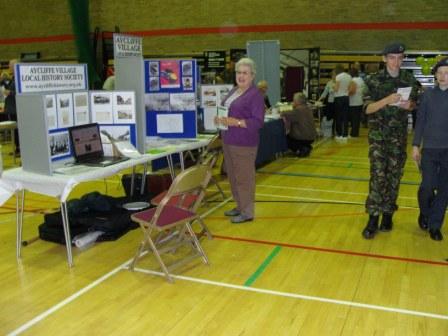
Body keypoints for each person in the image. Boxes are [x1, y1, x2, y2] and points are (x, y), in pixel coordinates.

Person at [362, 42, 419, 239]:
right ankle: (372, 218)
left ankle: (387, 214)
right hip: (378, 138)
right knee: (378, 176)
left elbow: (416, 104)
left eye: (400, 58)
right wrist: (387, 100)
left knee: (394, 177)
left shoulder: (409, 79)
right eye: (392, 58)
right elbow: (367, 109)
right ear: (384, 58)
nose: (396, 62)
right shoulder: (373, 80)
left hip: (398, 137)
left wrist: (408, 105)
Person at [215, 58, 265, 224]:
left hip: (244, 144)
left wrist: (235, 122)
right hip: (228, 140)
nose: (241, 76)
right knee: (233, 177)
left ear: (252, 76)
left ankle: (247, 212)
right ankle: (240, 206)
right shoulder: (234, 91)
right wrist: (220, 119)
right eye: (238, 72)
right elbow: (226, 111)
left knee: (244, 178)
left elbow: (258, 122)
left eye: (245, 73)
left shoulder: (255, 95)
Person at [412, 57, 448, 241]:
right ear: (435, 75)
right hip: (430, 150)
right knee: (427, 187)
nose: (443, 76)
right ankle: (425, 212)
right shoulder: (427, 96)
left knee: (444, 190)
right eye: (440, 72)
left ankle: (435, 225)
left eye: (447, 73)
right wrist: (416, 145)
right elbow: (420, 122)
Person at [281, 92, 317, 157]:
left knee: (285, 138)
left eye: (293, 100)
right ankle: (306, 146)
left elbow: (285, 114)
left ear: (297, 102)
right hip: (312, 136)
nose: (293, 102)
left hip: (303, 137)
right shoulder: (308, 108)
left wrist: (281, 111)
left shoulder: (298, 110)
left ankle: (301, 148)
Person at [3, 59, 19, 153]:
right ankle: (17, 148)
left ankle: (19, 148)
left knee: (17, 130)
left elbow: (20, 92)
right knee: (14, 130)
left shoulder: (19, 77)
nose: (9, 67)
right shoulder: (12, 78)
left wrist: (10, 92)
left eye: (10, 65)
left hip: (16, 108)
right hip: (11, 108)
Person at [333, 64, 352, 141]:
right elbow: (350, 88)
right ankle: (345, 134)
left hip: (338, 98)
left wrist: (333, 87)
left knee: (338, 117)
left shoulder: (338, 77)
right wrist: (346, 92)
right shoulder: (349, 76)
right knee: (345, 116)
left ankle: (339, 134)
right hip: (346, 97)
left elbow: (336, 88)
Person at [348, 68, 366, 137]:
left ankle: (353, 134)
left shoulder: (353, 80)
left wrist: (346, 93)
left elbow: (352, 91)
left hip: (353, 102)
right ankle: (355, 133)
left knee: (354, 119)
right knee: (357, 119)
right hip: (360, 101)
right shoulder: (361, 79)